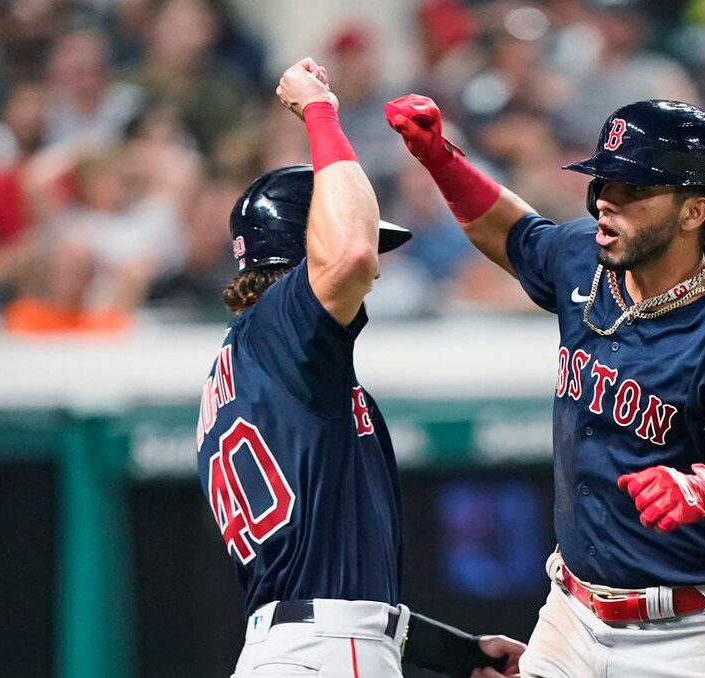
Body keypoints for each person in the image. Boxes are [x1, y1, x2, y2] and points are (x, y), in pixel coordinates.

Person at [385, 94, 705, 677]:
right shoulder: (589, 258)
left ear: (694, 212)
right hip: (571, 611)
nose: (607, 201)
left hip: (688, 637)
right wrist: (440, 159)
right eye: (604, 183)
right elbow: (512, 232)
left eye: (634, 190)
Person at [196, 58, 525, 678]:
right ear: (303, 249)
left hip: (294, 649)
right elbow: (346, 256)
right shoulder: (283, 331)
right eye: (371, 239)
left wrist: (451, 653)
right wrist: (320, 113)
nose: (377, 263)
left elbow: (329, 590)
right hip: (324, 655)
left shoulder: (250, 361)